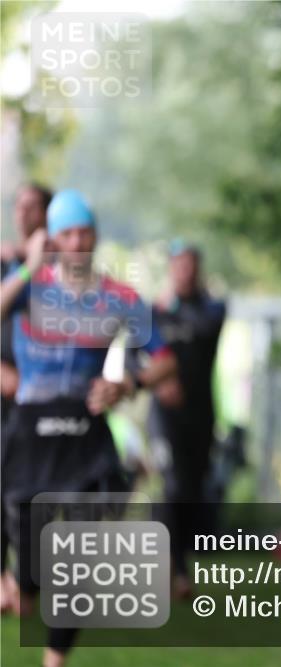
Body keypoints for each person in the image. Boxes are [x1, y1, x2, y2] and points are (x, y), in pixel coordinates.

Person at [0, 189, 177, 667]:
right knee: (28, 545)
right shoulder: (26, 291)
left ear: (96, 236)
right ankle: (26, 581)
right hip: (31, 430)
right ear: (52, 240)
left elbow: (165, 361)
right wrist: (25, 268)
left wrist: (129, 383)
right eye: (67, 234)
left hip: (86, 429)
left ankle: (55, 658)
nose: (77, 242)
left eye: (85, 232)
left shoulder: (119, 298)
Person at [143, 239, 226, 598]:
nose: (184, 271)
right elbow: (135, 356)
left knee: (191, 490)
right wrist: (159, 385)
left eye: (190, 264)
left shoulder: (213, 308)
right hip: (164, 416)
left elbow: (202, 331)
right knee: (172, 484)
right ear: (170, 268)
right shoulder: (153, 313)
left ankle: (179, 563)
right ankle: (175, 570)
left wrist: (169, 308)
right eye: (178, 264)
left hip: (200, 414)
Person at [1, 183, 52, 615]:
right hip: (6, 397)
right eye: (18, 206)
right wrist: (26, 265)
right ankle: (9, 583)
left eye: (32, 206)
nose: (23, 213)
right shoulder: (12, 265)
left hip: (40, 402)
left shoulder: (58, 270)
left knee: (33, 497)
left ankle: (27, 585)